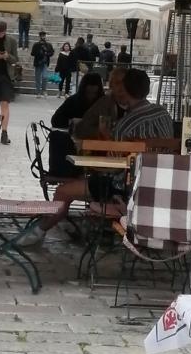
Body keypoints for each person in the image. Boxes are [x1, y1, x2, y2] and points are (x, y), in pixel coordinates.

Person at [28, 69, 175, 244]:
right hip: (161, 188)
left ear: (125, 89)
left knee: (63, 191)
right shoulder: (164, 115)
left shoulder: (125, 125)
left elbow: (113, 167)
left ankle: (38, 232)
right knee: (85, 180)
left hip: (126, 190)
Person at [113, 69, 173, 141]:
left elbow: (115, 147)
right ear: (147, 89)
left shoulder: (124, 127)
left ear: (125, 89)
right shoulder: (164, 113)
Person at [75, 66, 128, 142]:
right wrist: (101, 132)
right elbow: (80, 129)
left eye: (125, 82)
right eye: (117, 83)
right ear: (111, 86)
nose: (121, 87)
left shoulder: (137, 105)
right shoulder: (104, 103)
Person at [30, 30, 54, 96]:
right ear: (40, 36)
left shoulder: (48, 45)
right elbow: (32, 53)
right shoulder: (36, 44)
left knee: (45, 77)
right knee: (38, 78)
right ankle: (38, 92)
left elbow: (51, 52)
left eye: (44, 36)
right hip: (38, 63)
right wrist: (39, 52)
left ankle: (44, 90)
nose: (43, 37)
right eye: (42, 36)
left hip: (45, 63)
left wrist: (46, 53)